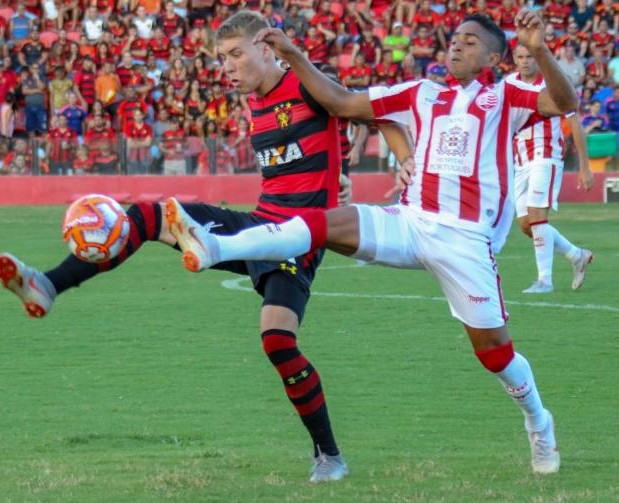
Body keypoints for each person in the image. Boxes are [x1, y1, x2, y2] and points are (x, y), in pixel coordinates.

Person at [0, 10, 411, 483]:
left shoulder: (308, 83)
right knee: (149, 215)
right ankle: (47, 284)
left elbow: (374, 111)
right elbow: (337, 136)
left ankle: (329, 456)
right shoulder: (254, 102)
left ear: (267, 50)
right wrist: (345, 159)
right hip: (260, 223)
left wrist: (404, 159)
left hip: (301, 237)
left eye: (236, 55)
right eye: (222, 58)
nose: (227, 67)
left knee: (278, 341)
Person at [166, 11, 579, 476]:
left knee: (495, 355)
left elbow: (563, 102)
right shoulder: (422, 93)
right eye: (455, 39)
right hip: (410, 221)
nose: (457, 46)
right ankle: (216, 247)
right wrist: (293, 55)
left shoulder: (506, 96)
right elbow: (342, 102)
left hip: (465, 242)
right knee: (319, 223)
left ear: (495, 57)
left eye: (470, 41)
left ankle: (539, 420)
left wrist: (540, 50)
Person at [508, 44, 595, 293]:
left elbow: (575, 123)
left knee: (537, 216)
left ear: (537, 59)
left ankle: (544, 280)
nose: (525, 62)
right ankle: (576, 255)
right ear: (514, 59)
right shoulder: (510, 84)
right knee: (526, 224)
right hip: (520, 160)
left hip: (545, 156)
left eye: (529, 57)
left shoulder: (551, 85)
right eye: (520, 57)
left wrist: (584, 167)